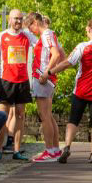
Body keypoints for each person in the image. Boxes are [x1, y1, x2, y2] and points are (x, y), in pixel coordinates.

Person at [50, 18, 92, 164]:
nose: (85, 31)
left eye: (86, 29)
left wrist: (50, 72)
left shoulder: (83, 47)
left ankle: (66, 148)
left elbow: (68, 63)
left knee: (73, 120)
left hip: (81, 90)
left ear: (90, 30)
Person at [0, 8, 36, 161]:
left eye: (20, 19)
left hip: (23, 81)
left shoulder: (27, 35)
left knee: (20, 115)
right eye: (15, 18)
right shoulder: (1, 36)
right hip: (6, 80)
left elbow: (42, 44)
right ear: (9, 19)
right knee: (2, 116)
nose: (18, 21)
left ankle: (17, 150)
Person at [27, 11, 63, 162]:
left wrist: (47, 72)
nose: (30, 30)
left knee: (44, 116)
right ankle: (54, 149)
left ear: (35, 22)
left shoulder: (46, 34)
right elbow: (61, 54)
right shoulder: (50, 34)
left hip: (42, 77)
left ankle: (49, 151)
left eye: (30, 27)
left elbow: (56, 54)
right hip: (46, 77)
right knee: (48, 115)